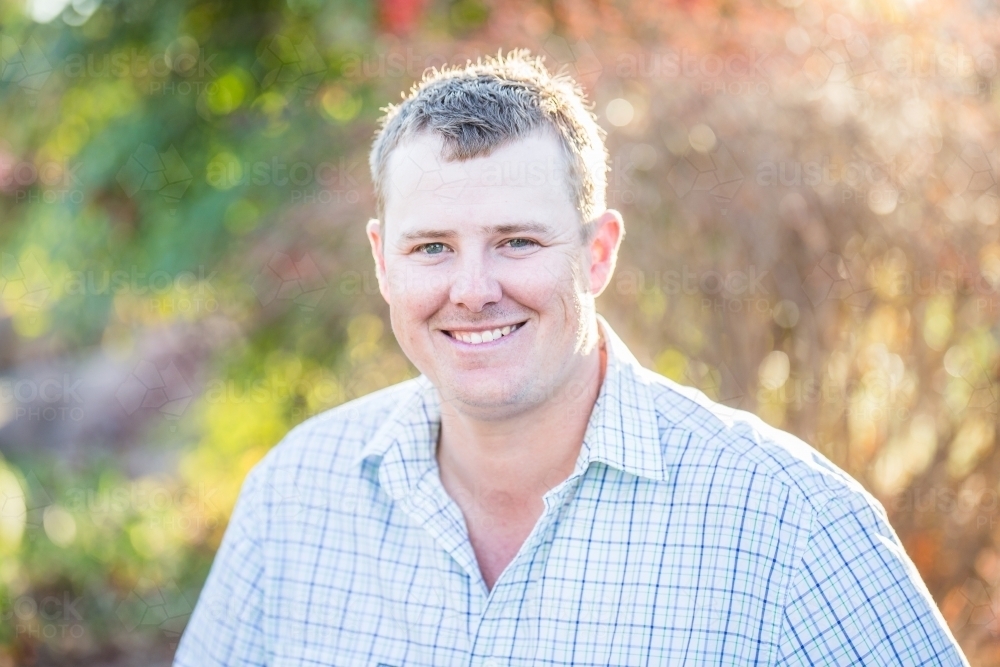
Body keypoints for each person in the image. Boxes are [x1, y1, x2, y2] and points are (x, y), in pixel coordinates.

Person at [174, 49, 969, 666]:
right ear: (383, 261)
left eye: (517, 241)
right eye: (432, 247)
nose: (473, 288)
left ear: (597, 254)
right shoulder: (294, 498)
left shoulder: (794, 528)